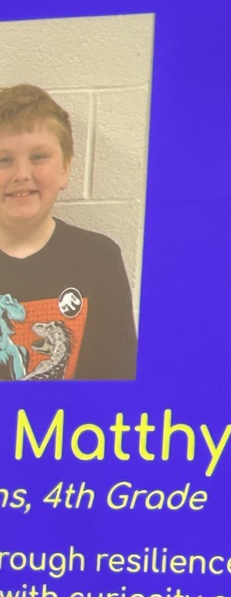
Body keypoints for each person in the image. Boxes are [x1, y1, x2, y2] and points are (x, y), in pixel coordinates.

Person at [0, 84, 137, 380]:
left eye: (38, 157)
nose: (21, 174)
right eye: (4, 160)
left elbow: (117, 379)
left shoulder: (98, 258)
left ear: (65, 168)